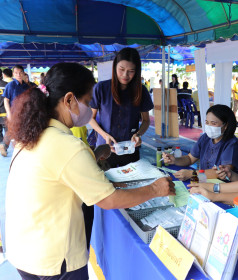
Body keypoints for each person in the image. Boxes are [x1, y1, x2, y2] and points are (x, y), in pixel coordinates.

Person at [5, 62, 175, 280]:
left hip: (26, 249)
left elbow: (55, 170)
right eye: (86, 102)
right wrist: (155, 188)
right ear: (68, 99)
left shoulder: (32, 134)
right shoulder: (66, 145)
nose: (88, 108)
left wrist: (93, 155)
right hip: (55, 259)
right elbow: (108, 200)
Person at [89, 47, 153, 167]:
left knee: (133, 183)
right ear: (115, 67)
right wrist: (105, 135)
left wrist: (138, 134)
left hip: (130, 148)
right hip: (105, 149)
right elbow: (90, 118)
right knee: (106, 182)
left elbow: (146, 120)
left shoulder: (141, 90)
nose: (125, 75)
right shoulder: (101, 88)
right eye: (121, 69)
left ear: (137, 71)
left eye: (131, 71)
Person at [163, 104, 238, 181]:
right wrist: (175, 160)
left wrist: (192, 174)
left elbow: (222, 172)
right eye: (207, 122)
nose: (209, 126)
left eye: (213, 123)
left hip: (225, 186)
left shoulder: (232, 144)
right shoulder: (205, 138)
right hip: (205, 182)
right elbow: (190, 159)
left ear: (226, 126)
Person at [1, 65, 30, 157]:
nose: (18, 74)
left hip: (24, 113)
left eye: (20, 72)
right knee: (15, 131)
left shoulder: (26, 86)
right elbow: (6, 100)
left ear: (23, 73)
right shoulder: (11, 85)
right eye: (16, 73)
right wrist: (9, 114)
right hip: (14, 113)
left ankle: (4, 146)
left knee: (15, 131)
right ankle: (16, 150)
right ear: (13, 74)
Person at [0, 69, 7, 155]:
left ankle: (1, 144)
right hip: (4, 111)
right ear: (1, 75)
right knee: (8, 130)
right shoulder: (6, 85)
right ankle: (4, 145)